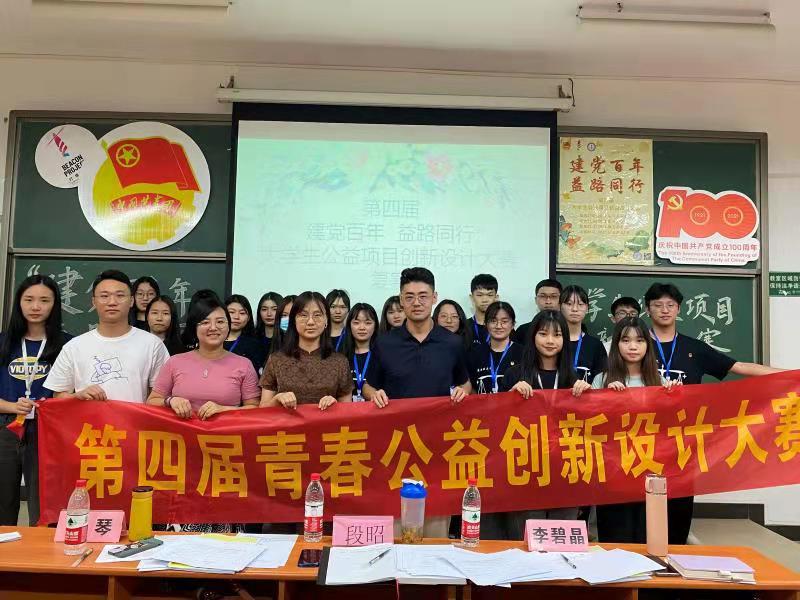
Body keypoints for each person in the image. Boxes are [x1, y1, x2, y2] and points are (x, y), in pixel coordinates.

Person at [645, 282, 784, 544]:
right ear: (648, 309)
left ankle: (676, 551)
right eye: (657, 305)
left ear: (679, 309)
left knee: (679, 501)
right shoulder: (636, 346)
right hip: (643, 435)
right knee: (639, 499)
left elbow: (740, 366)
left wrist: (790, 375)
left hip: (683, 439)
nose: (664, 310)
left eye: (670, 305)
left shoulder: (694, 348)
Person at [363, 268, 471, 539]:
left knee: (435, 524)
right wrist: (374, 394)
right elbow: (367, 386)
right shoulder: (385, 343)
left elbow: (465, 383)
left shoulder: (452, 343)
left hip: (438, 445)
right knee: (395, 526)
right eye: (409, 297)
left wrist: (462, 391)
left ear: (434, 297)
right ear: (401, 300)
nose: (416, 302)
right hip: (395, 446)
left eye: (423, 296)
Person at [490, 310, 590, 540]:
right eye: (543, 334)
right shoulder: (515, 374)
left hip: (564, 473)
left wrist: (589, 397)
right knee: (526, 541)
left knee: (560, 540)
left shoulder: (572, 379)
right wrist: (510, 397)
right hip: (526, 473)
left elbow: (587, 427)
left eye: (557, 335)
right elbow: (497, 423)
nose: (550, 341)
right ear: (533, 336)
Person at [592, 316, 680, 543]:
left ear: (647, 345)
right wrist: (605, 398)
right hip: (613, 472)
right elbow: (590, 427)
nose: (633, 347)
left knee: (646, 534)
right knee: (615, 535)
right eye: (626, 340)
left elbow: (669, 427)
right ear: (616, 345)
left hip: (649, 469)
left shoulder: (659, 382)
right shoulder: (602, 380)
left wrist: (674, 397)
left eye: (639, 341)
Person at [0, 275, 70, 526]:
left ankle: (39, 551)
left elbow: (72, 392)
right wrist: (11, 406)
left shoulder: (68, 344)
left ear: (55, 304)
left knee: (43, 503)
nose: (36, 306)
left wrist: (53, 406)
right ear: (19, 302)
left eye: (44, 300)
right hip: (5, 428)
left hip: (48, 431)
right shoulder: (3, 342)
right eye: (28, 299)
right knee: (3, 500)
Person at [44, 270, 169, 404]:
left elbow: (160, 396)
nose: (112, 302)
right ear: (94, 301)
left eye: (120, 295)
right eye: (104, 296)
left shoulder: (152, 344)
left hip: (134, 418)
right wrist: (77, 396)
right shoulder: (74, 347)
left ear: (131, 301)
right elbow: (58, 396)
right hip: (88, 418)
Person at [147, 295, 260, 419]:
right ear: (194, 327)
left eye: (220, 322)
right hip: (181, 431)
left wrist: (224, 409)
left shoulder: (244, 364)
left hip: (226, 431)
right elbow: (152, 401)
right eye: (205, 322)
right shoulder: (174, 362)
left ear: (228, 326)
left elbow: (254, 408)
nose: (213, 328)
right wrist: (170, 401)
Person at [260, 291, 352, 410]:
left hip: (326, 422)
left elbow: (348, 410)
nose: (310, 322)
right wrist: (277, 400)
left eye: (317, 315)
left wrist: (335, 405)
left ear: (326, 320)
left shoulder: (340, 362)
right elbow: (262, 409)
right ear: (293, 320)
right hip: (286, 422)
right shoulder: (276, 360)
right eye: (303, 315)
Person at [467, 301, 522, 394]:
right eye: (493, 321)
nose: (498, 326)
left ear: (513, 324)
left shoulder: (523, 353)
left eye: (504, 321)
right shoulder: (474, 354)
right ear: (486, 324)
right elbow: (470, 388)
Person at [560, 285, 607, 384]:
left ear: (587, 308)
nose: (575, 309)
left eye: (580, 304)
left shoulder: (595, 345)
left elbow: (602, 379)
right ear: (560, 306)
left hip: (587, 394)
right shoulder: (553, 342)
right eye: (569, 304)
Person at [341, 303, 379, 402]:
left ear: (375, 325)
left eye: (368, 323)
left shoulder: (383, 355)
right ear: (349, 325)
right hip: (349, 410)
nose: (362, 327)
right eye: (356, 323)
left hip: (377, 409)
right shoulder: (341, 356)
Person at [224, 294, 266, 375]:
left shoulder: (255, 345)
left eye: (242, 313)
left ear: (248, 318)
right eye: (231, 312)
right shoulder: (214, 341)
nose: (236, 317)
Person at [513, 278, 562, 344]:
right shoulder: (523, 330)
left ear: (561, 300)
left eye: (553, 296)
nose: (548, 301)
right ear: (536, 300)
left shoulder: (567, 328)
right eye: (543, 296)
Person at [465, 274, 498, 346]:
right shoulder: (463, 327)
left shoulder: (503, 328)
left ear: (496, 298)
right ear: (472, 297)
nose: (485, 300)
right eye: (479, 295)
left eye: (490, 295)